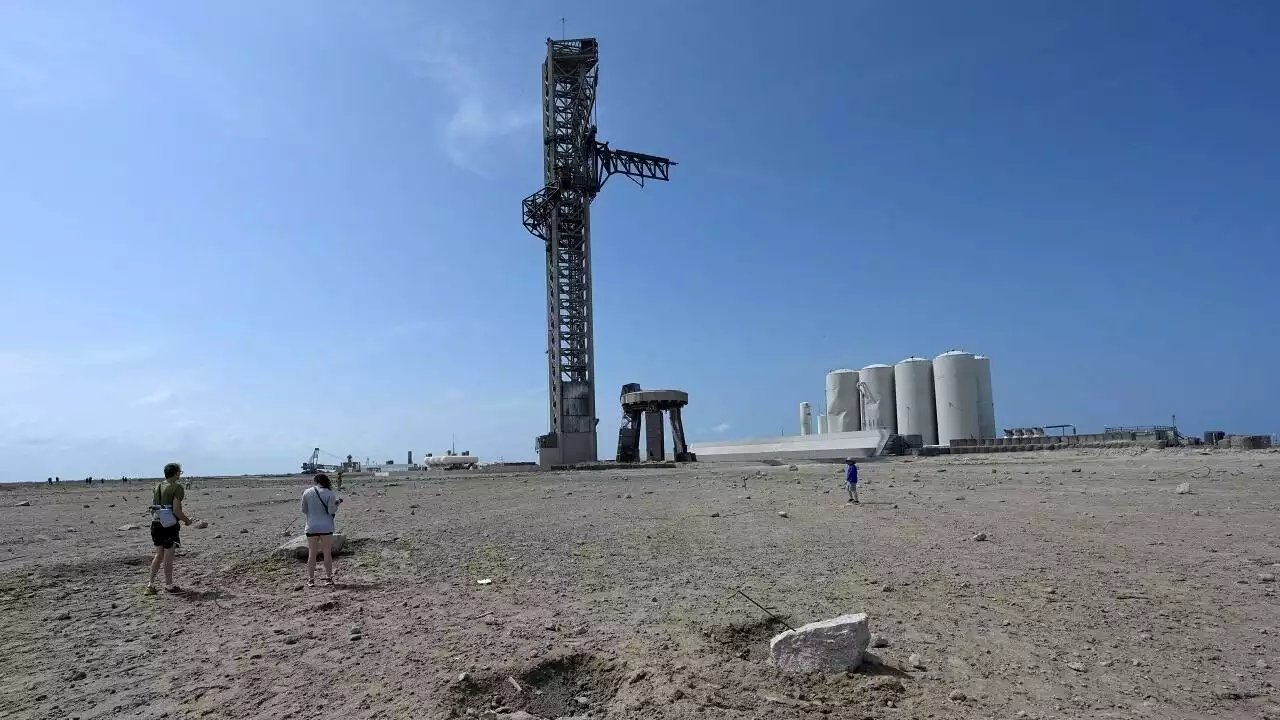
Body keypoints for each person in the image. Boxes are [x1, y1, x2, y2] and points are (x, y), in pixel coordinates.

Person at [146, 462, 192, 595]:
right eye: (180, 472)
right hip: (169, 525)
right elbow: (176, 509)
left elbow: (155, 506)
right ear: (176, 473)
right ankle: (169, 585)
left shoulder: (158, 486)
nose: (180, 474)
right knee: (168, 556)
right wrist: (187, 521)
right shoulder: (177, 488)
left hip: (156, 523)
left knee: (158, 555)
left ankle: (150, 585)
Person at [301, 473, 342, 587]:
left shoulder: (307, 492)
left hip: (311, 527)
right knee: (327, 553)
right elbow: (331, 511)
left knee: (312, 553)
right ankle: (329, 578)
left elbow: (304, 510)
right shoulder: (329, 493)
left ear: (316, 481)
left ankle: (311, 579)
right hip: (326, 527)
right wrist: (337, 504)